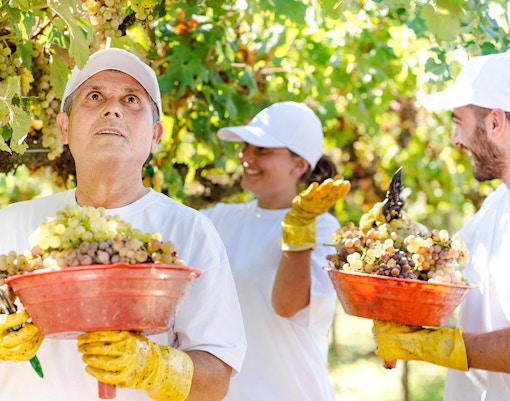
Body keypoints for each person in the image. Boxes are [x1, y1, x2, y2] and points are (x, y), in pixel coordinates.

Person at [0, 47, 246, 401]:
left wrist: (156, 367)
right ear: (64, 127)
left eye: (132, 100)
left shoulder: (190, 232)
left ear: (155, 137)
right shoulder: (9, 225)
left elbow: (217, 380)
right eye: (94, 96)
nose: (112, 108)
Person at [371, 51, 510, 400]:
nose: (454, 139)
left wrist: (433, 346)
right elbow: (449, 258)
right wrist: (396, 227)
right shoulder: (498, 203)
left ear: (496, 123)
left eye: (458, 121)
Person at [201, 101, 351, 401]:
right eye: (246, 146)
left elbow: (286, 305)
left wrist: (299, 226)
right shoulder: (219, 218)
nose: (245, 156)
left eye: (262, 150)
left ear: (299, 166)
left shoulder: (322, 228)